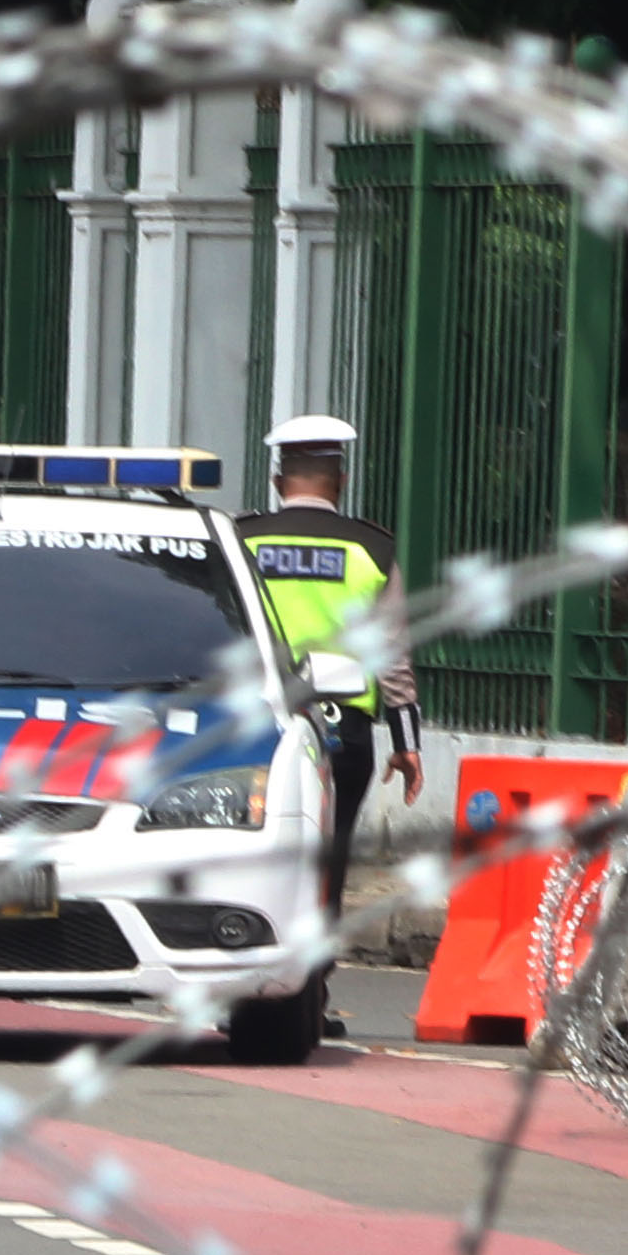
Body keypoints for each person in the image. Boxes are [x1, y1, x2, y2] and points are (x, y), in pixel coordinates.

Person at [234, 415, 421, 1039]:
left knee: (253, 855)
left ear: (276, 476)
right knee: (327, 864)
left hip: (258, 729)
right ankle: (309, 995)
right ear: (340, 478)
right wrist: (408, 743)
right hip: (343, 734)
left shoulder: (242, 540)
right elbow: (394, 654)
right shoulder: (373, 549)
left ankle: (247, 980)